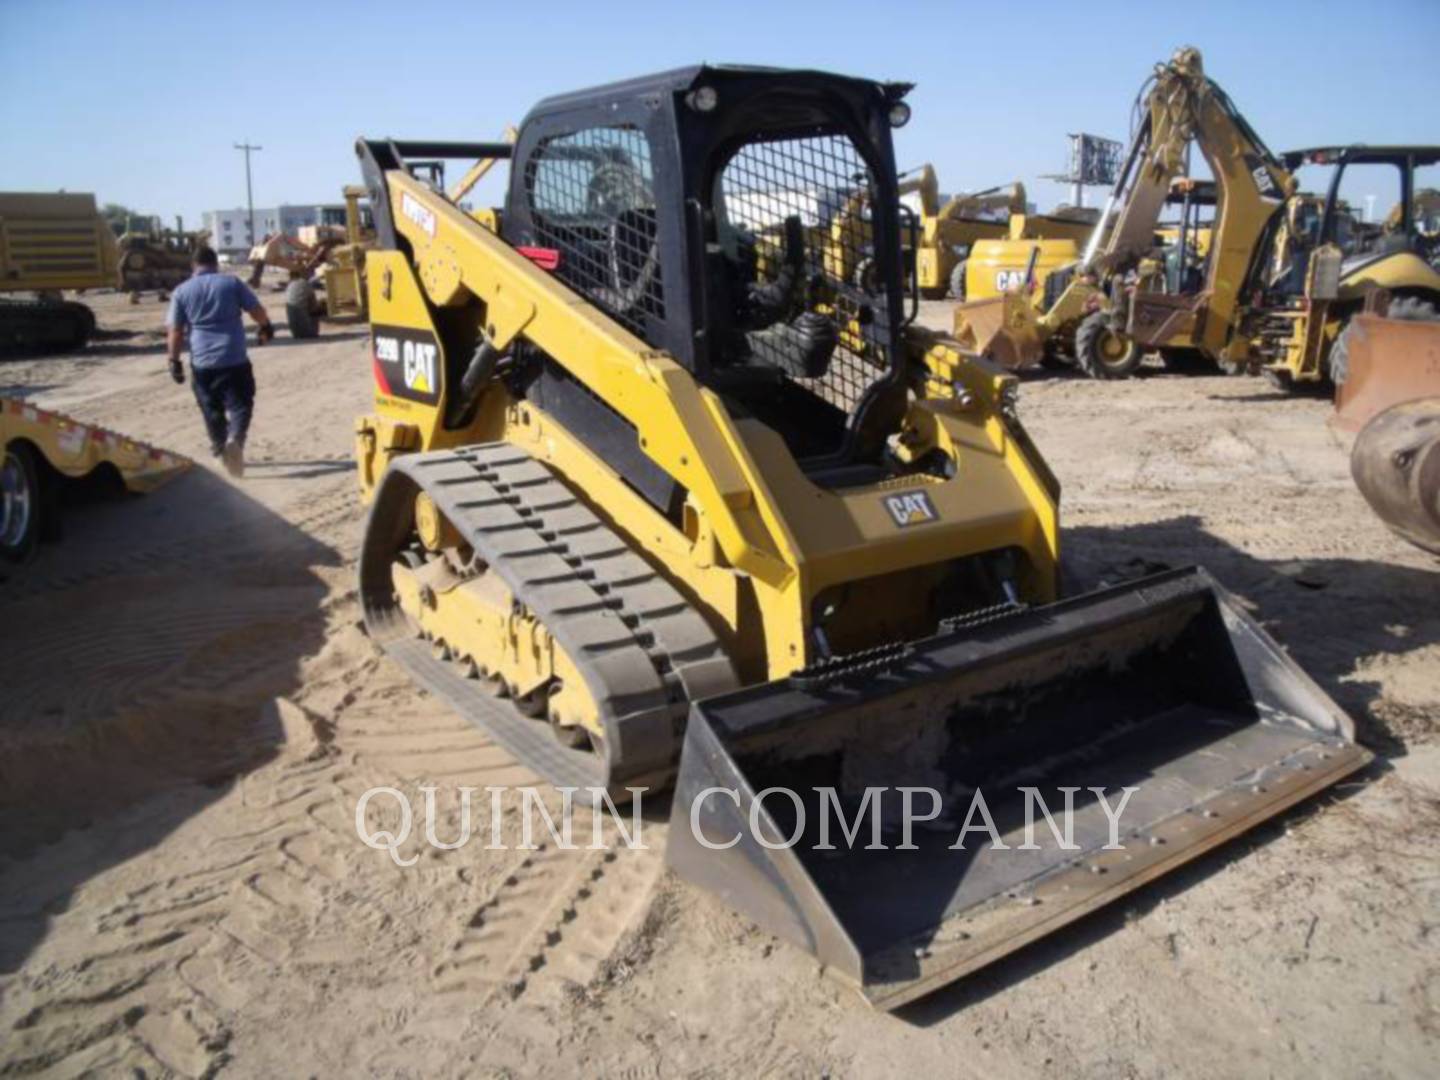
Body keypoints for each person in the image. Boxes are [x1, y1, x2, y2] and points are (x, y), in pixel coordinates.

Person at [165, 246, 274, 477]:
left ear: (193, 266)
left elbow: (176, 331)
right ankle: (235, 439)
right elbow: (256, 311)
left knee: (210, 408)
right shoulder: (231, 283)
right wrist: (265, 327)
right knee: (241, 405)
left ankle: (220, 450)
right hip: (234, 357)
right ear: (215, 263)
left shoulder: (182, 292)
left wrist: (174, 361)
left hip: (203, 363)